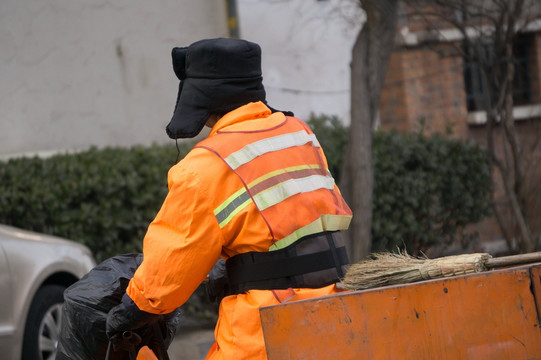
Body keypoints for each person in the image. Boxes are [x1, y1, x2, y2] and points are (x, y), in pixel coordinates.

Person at [106, 37, 353, 359]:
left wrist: (130, 310)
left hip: (265, 326)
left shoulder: (206, 165)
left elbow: (168, 272)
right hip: (337, 310)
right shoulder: (298, 133)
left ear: (199, 97)